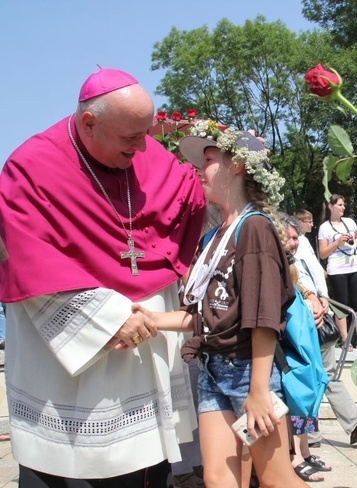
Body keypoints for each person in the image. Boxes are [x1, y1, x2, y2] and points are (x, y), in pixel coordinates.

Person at [0, 68, 206, 486]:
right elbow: (27, 258)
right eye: (130, 137)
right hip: (68, 364)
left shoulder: (148, 155)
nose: (142, 147)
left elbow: (191, 198)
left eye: (146, 133)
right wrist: (110, 316)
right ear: (89, 123)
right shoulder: (32, 167)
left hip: (140, 355)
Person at [135, 123, 306, 488]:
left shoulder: (256, 228)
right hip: (214, 371)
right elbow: (202, 315)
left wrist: (259, 390)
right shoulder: (214, 236)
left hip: (248, 373)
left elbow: (263, 317)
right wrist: (149, 317)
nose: (200, 169)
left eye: (209, 160)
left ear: (238, 165)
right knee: (217, 480)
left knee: (277, 479)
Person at [291, 214, 357, 447]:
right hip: (317, 314)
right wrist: (322, 298)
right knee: (328, 374)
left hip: (306, 318)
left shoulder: (292, 247)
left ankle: (310, 436)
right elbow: (317, 272)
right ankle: (353, 423)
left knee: (307, 377)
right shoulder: (304, 244)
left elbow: (299, 277)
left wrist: (315, 297)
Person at [280, 215, 334, 482]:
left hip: (304, 348)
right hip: (289, 349)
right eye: (289, 237)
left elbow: (301, 289)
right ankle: (294, 455)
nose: (294, 242)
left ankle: (303, 449)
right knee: (297, 397)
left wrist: (314, 298)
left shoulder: (292, 268)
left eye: (296, 237)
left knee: (309, 393)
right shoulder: (278, 267)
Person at [318, 195, 357, 346]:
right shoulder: (324, 227)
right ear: (330, 206)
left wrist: (353, 245)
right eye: (339, 204)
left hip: (355, 266)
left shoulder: (350, 222)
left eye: (344, 204)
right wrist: (337, 242)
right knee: (341, 304)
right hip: (337, 269)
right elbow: (323, 253)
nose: (343, 207)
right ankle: (346, 340)